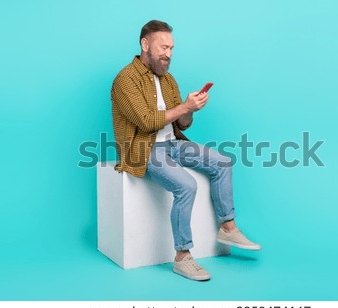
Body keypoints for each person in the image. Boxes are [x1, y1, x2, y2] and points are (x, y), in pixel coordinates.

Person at [111, 20, 260, 281]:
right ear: (145, 44)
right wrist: (183, 107)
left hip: (173, 144)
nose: (168, 54)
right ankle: (182, 257)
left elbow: (182, 122)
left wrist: (190, 109)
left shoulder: (168, 79)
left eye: (172, 48)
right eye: (163, 47)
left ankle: (228, 226)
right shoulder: (126, 79)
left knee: (223, 163)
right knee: (187, 186)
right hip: (143, 148)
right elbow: (146, 122)